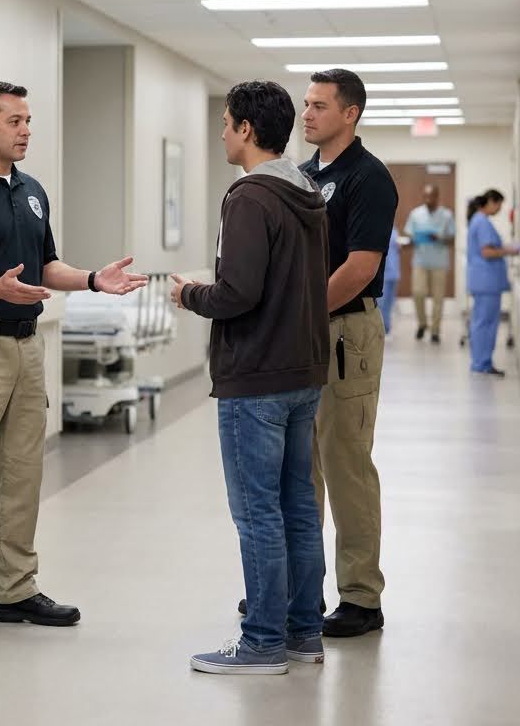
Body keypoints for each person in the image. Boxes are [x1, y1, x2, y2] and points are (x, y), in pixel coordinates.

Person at [0, 81, 148, 642]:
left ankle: (15, 590)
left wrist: (93, 280)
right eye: (15, 121)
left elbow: (45, 267)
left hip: (25, 346)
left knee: (22, 474)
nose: (26, 131)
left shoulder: (32, 191)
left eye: (27, 121)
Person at [172, 81, 329, 675]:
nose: (220, 133)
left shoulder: (249, 198)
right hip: (302, 373)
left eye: (226, 122)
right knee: (298, 506)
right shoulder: (306, 192)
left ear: (245, 130)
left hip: (256, 377)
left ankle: (263, 641)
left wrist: (189, 294)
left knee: (257, 512)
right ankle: (302, 634)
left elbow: (238, 293)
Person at [291, 68, 397, 638]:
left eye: (319, 106)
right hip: (303, 333)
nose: (306, 115)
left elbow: (360, 267)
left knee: (346, 463)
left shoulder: (367, 177)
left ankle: (360, 596)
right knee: (299, 466)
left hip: (344, 334)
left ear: (350, 113)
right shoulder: (303, 175)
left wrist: (301, 311)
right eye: (305, 104)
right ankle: (300, 590)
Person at [466, 189, 519, 376]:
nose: (499, 209)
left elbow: (490, 247)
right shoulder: (482, 222)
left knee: (482, 322)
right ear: (491, 202)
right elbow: (487, 252)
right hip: (486, 282)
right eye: (499, 205)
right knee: (485, 323)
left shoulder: (479, 221)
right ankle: (482, 363)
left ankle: (481, 362)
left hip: (484, 282)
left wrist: (505, 248)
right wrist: (510, 251)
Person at [404, 184, 455, 343]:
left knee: (438, 298)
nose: (428, 199)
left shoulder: (446, 215)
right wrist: (409, 242)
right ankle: (422, 323)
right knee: (418, 293)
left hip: (439, 262)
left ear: (437, 197)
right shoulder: (416, 214)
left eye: (431, 196)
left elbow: (451, 239)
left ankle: (435, 330)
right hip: (420, 260)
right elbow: (410, 236)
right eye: (425, 196)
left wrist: (438, 238)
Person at [378, 228, 401, 334]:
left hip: (393, 271)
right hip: (383, 273)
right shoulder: (376, 228)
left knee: (389, 302)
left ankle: (387, 327)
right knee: (381, 303)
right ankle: (380, 328)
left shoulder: (394, 230)